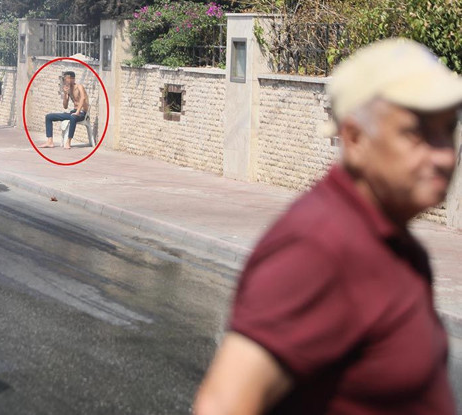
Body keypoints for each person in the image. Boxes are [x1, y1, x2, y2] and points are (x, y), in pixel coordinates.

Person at [194, 38, 462, 415]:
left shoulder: (393, 241)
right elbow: (222, 405)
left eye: (448, 129)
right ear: (354, 138)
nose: (443, 154)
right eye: (416, 132)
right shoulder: (318, 245)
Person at [41, 71, 90, 150]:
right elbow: (65, 106)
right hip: (73, 113)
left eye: (66, 79)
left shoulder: (79, 86)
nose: (65, 81)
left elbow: (83, 98)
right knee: (49, 117)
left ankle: (68, 142)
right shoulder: (69, 89)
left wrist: (77, 112)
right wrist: (65, 94)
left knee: (73, 118)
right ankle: (50, 141)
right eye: (65, 79)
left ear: (72, 79)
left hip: (82, 113)